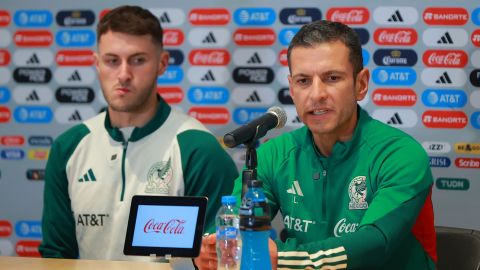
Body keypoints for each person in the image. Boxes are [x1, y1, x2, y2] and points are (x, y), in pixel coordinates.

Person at [195, 20, 437, 269]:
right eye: (303, 81)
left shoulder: (400, 155)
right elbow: (231, 225)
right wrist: (209, 249)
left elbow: (373, 244)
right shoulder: (273, 155)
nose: (316, 94)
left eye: (332, 78)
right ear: (291, 88)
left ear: (361, 84)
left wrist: (282, 259)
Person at [39, 5, 238, 260]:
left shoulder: (198, 149)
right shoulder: (69, 147)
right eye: (112, 61)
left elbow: (221, 258)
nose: (123, 74)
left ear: (162, 64)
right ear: (97, 64)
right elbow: (56, 256)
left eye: (138, 60)